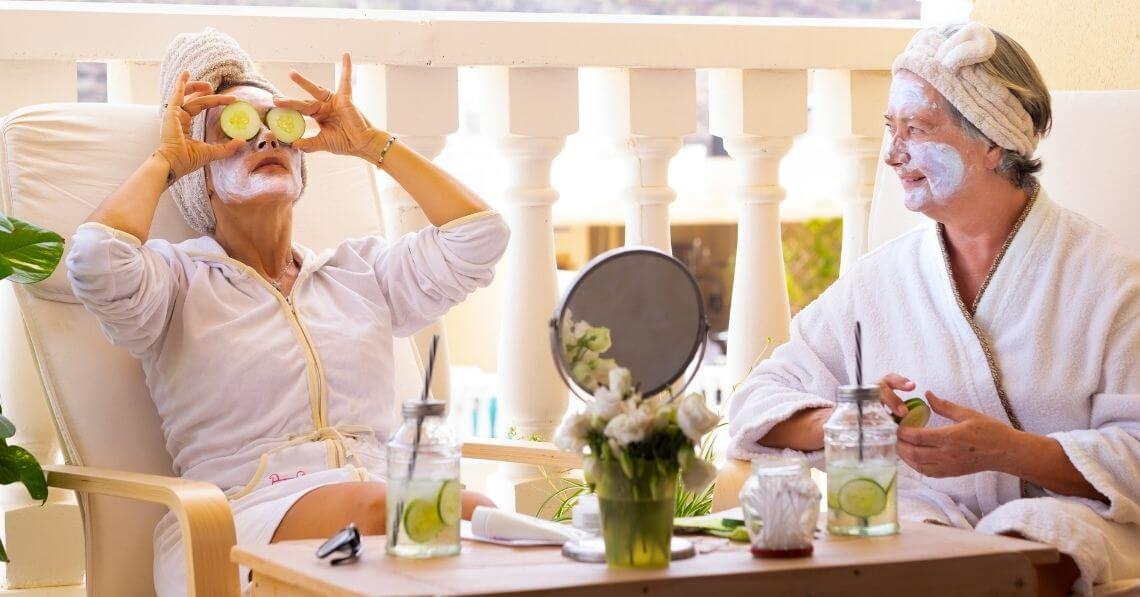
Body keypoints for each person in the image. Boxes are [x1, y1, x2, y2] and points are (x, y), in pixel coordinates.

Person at [65, 28, 508, 595]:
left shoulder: (360, 275)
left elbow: (481, 237)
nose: (265, 140)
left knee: (479, 518)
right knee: (432, 513)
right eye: (235, 130)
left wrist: (373, 144)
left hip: (381, 514)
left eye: (279, 126)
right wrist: (168, 160)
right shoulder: (174, 282)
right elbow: (97, 259)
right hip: (233, 526)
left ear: (302, 161)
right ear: (202, 177)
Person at [728, 22, 1139, 596]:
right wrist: (851, 422)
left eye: (916, 129)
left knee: (1037, 539)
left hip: (1070, 527)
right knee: (894, 548)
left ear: (993, 140)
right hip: (927, 528)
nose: (893, 154)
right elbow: (758, 398)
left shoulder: (1111, 279)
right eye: (889, 129)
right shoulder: (881, 279)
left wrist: (1008, 452)